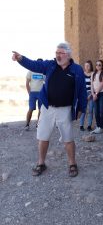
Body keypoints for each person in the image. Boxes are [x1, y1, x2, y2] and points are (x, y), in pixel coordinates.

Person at [12, 42, 87, 177]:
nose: (58, 56)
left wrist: (82, 107)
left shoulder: (77, 69)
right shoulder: (50, 65)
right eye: (56, 53)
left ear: (68, 55)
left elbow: (82, 90)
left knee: (68, 138)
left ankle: (72, 163)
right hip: (47, 108)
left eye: (61, 53)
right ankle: (41, 163)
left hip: (65, 109)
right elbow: (34, 65)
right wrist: (21, 59)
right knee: (43, 136)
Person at [25, 59, 45, 130]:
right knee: (31, 108)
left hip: (41, 93)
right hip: (32, 93)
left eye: (41, 63)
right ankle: (27, 124)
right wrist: (29, 93)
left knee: (41, 109)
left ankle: (38, 125)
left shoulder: (43, 72)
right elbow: (27, 83)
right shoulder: (30, 71)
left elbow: (46, 82)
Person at [91, 59, 103, 134]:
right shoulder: (93, 73)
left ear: (102, 66)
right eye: (97, 64)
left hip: (101, 94)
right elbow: (92, 85)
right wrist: (93, 94)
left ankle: (101, 127)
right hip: (94, 94)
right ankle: (98, 126)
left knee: (101, 110)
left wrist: (96, 93)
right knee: (96, 111)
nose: (98, 66)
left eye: (99, 65)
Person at [79, 60, 94, 131]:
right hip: (83, 94)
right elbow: (80, 85)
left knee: (90, 110)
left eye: (88, 65)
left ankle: (89, 126)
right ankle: (81, 125)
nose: (86, 67)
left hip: (91, 94)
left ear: (90, 66)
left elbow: (94, 85)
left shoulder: (93, 74)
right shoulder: (82, 74)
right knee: (83, 110)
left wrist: (91, 94)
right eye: (85, 66)